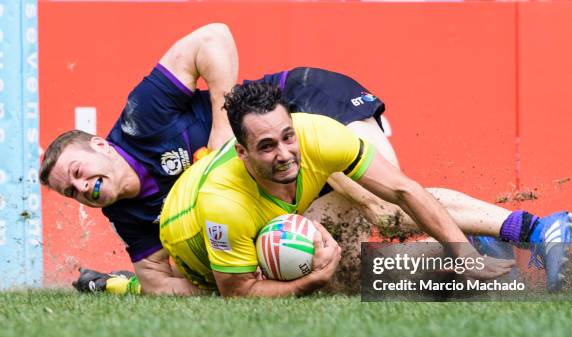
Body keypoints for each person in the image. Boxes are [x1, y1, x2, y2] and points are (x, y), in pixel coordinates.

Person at [40, 24, 572, 295]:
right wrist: (142, 282)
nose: (83, 187)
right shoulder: (128, 212)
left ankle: (534, 227)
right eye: (72, 191)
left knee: (382, 206)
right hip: (264, 159)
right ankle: (476, 242)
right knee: (336, 253)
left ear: (102, 145)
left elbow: (213, 37)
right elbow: (158, 277)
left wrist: (227, 135)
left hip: (300, 104)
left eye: (80, 171)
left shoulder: (140, 119)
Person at [159, 82, 521, 297]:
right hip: (189, 240)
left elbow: (403, 190)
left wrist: (458, 250)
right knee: (327, 276)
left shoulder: (319, 135)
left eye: (288, 137)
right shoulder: (224, 204)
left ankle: (479, 251)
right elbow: (238, 294)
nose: (285, 154)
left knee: (374, 226)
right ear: (242, 152)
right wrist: (312, 281)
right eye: (267, 146)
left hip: (272, 215)